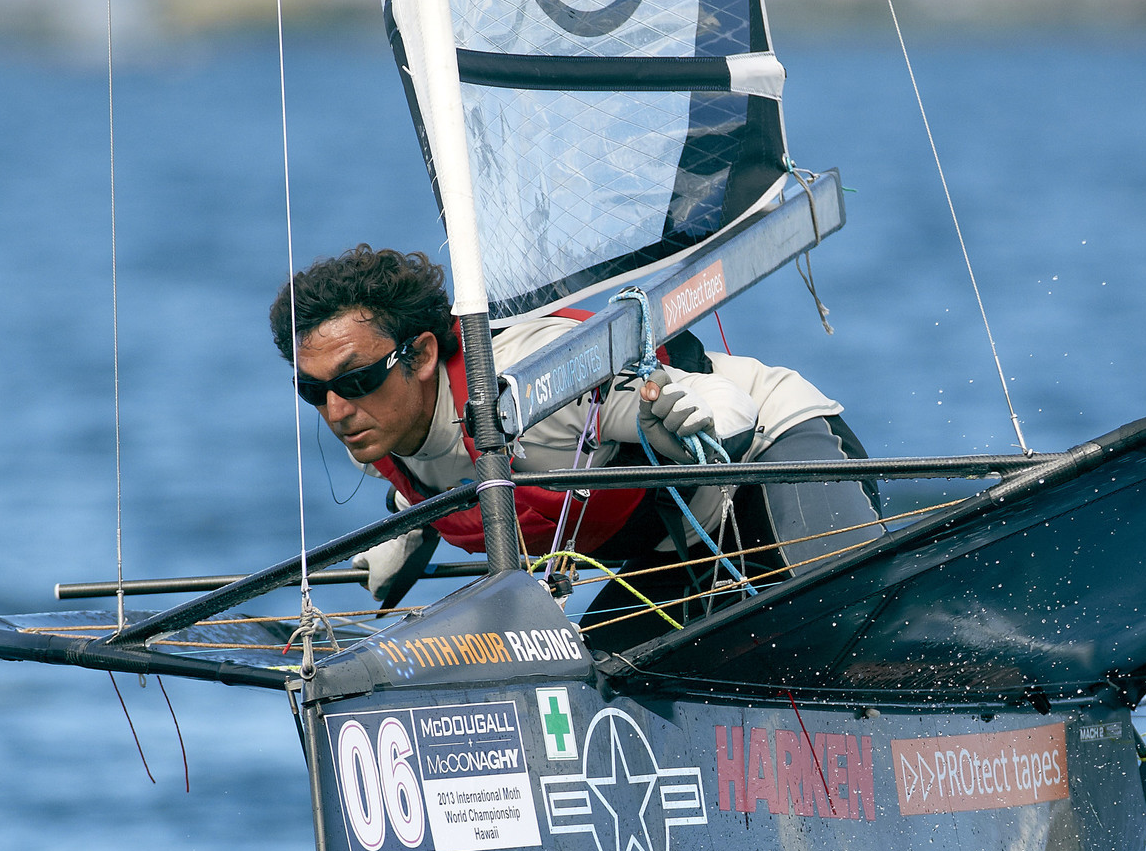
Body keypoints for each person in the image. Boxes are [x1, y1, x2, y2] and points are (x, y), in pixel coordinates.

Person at [270, 245, 878, 637]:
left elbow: (670, 394)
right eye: (313, 393)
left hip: (773, 448)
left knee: (849, 620)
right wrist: (409, 531)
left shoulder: (531, 391)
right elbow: (439, 480)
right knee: (619, 686)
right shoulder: (386, 434)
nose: (336, 411)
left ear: (424, 355)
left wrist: (704, 414)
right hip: (684, 546)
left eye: (355, 380)